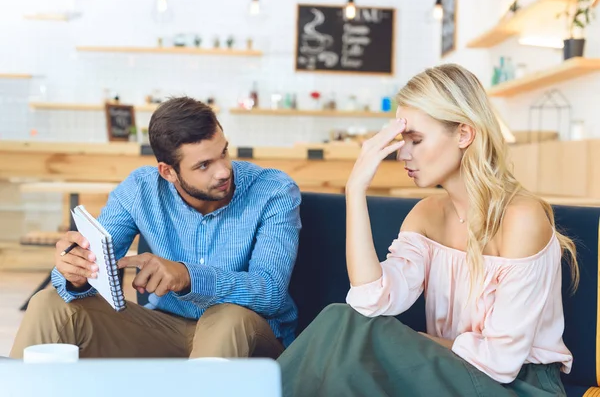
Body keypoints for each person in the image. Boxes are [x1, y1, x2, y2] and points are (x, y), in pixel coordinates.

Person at [278, 64, 578, 396]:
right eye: (401, 140)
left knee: (348, 336)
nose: (403, 153)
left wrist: (415, 340)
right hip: (449, 372)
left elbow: (501, 360)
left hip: (519, 385)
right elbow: (369, 301)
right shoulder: (427, 214)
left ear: (464, 134)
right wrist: (355, 191)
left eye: (415, 139)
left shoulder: (521, 218)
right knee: (343, 329)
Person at [10, 96, 302, 360]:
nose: (223, 170)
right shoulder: (141, 189)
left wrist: (187, 276)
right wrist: (76, 271)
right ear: (168, 171)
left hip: (248, 332)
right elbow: (93, 265)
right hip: (166, 328)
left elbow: (270, 292)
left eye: (223, 153)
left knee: (227, 319)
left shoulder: (273, 191)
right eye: (203, 165)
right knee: (49, 303)